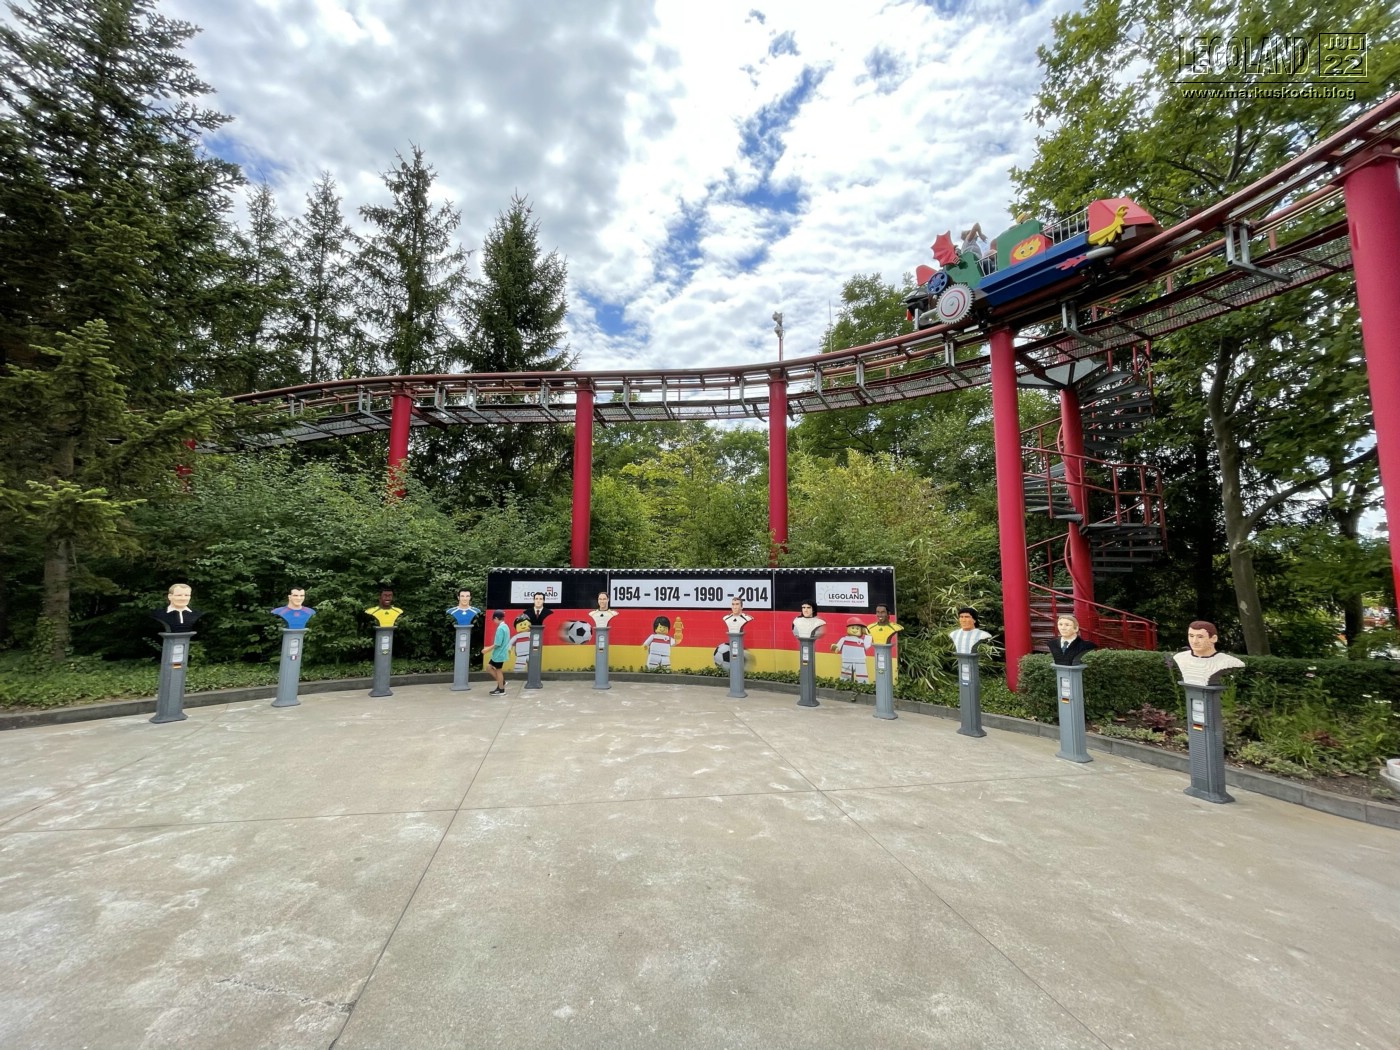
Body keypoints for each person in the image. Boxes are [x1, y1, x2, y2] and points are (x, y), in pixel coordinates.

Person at [1172, 620, 1244, 687]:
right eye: (1191, 636)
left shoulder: (1228, 662)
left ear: (1213, 638)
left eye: (1200, 637)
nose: (1194, 641)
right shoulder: (1180, 658)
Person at [831, 616, 873, 682]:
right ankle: (845, 685)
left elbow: (867, 646)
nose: (855, 630)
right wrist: (836, 648)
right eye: (852, 628)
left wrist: (868, 634)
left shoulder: (861, 641)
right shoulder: (844, 639)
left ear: (862, 630)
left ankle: (863, 686)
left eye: (857, 628)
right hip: (847, 659)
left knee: (862, 677)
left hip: (860, 661)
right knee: (845, 677)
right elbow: (838, 647)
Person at [487, 610, 509, 694]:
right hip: (500, 653)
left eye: (493, 619)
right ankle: (501, 682)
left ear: (496, 618)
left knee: (498, 670)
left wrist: (487, 649)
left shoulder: (500, 628)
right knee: (489, 667)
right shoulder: (505, 626)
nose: (494, 621)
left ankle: (501, 689)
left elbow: (497, 644)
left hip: (499, 654)